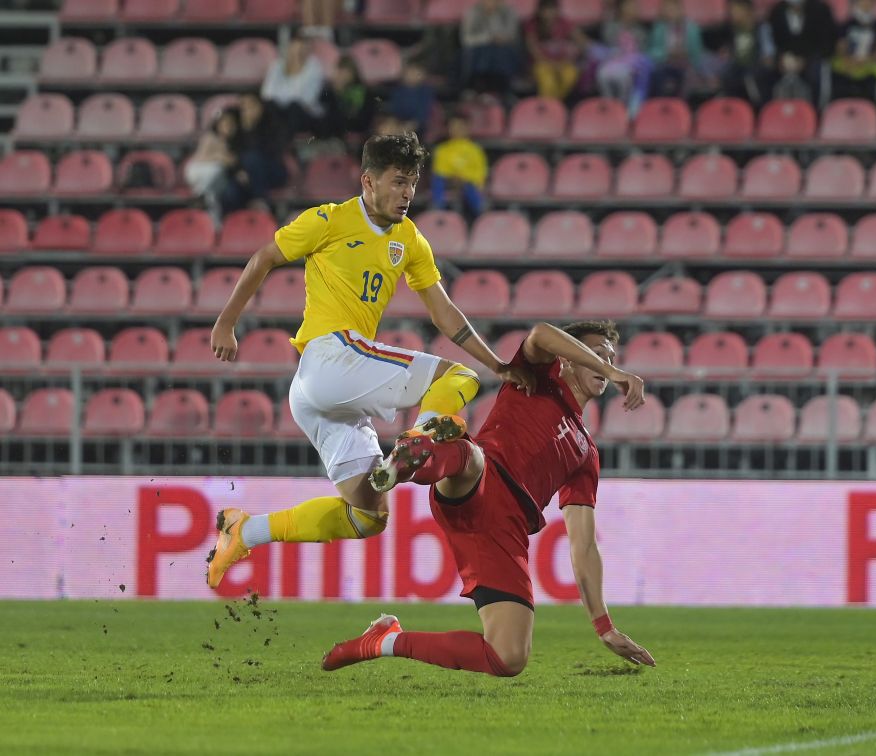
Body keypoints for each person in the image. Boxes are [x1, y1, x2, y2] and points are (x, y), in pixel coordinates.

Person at [205, 133, 535, 591]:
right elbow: (264, 257)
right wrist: (226, 324)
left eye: (413, 183)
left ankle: (245, 531)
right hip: (330, 356)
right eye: (399, 182)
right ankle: (418, 440)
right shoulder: (329, 219)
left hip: (319, 393)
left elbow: (443, 312)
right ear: (368, 181)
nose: (407, 194)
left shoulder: (409, 239)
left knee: (368, 516)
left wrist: (498, 363)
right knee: (457, 377)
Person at [321, 320, 656, 677]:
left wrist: (604, 626)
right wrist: (613, 368)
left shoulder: (586, 453)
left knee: (508, 657)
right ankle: (418, 454)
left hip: (502, 531)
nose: (604, 361)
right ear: (569, 359)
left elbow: (584, 545)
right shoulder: (538, 377)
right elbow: (541, 333)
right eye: (594, 353)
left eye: (609, 355)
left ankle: (383, 640)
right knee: (472, 458)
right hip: (480, 479)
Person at [219, 93, 288, 213]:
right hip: (246, 175)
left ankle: (260, 200)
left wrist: (251, 129)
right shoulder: (237, 129)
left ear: (260, 107)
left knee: (252, 158)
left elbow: (269, 152)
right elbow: (232, 156)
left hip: (271, 171)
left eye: (251, 106)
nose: (247, 111)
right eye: (244, 108)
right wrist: (239, 171)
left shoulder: (271, 124)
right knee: (230, 193)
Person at [766, 0, 838, 106]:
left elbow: (828, 44)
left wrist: (806, 60)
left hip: (813, 58)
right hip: (786, 59)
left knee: (816, 73)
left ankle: (815, 113)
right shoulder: (777, 11)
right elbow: (774, 42)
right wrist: (781, 59)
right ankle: (771, 114)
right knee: (763, 73)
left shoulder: (821, 10)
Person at [831, 0, 876, 109]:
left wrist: (867, 60)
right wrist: (849, 60)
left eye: (868, 2)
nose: (865, 5)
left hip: (871, 65)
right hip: (849, 64)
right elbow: (841, 48)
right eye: (861, 2)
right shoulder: (846, 25)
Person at [647, 0, 719, 97]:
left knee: (690, 77)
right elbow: (652, 52)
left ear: (681, 9)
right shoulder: (659, 28)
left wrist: (686, 54)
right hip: (665, 64)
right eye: (667, 8)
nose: (671, 11)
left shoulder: (692, 27)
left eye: (673, 8)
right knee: (658, 75)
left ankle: (683, 107)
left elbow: (697, 52)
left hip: (687, 64)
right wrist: (667, 53)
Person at [592, 0, 652, 116]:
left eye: (635, 7)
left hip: (632, 64)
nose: (633, 10)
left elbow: (642, 51)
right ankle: (609, 104)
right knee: (602, 74)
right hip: (614, 61)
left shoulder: (641, 31)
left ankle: (624, 106)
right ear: (621, 10)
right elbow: (608, 44)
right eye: (629, 7)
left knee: (626, 77)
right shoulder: (611, 27)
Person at [261, 36, 325, 137]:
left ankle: (281, 143)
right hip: (279, 113)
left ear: (308, 51)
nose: (298, 54)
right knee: (270, 106)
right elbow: (267, 94)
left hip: (304, 114)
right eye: (296, 49)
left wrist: (281, 98)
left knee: (294, 107)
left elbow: (306, 99)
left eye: (302, 50)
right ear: (290, 49)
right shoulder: (277, 65)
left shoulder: (315, 67)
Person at [524, 0, 589, 100]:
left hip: (563, 63)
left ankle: (557, 106)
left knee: (570, 75)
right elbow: (533, 50)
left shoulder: (564, 23)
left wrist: (573, 55)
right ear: (539, 11)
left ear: (557, 11)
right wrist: (552, 65)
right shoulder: (532, 24)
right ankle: (548, 107)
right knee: (547, 81)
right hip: (542, 63)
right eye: (545, 10)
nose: (548, 14)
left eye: (551, 10)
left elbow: (582, 41)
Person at [430, 111, 488, 221]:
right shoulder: (442, 149)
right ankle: (437, 211)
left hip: (468, 184)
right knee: (437, 180)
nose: (456, 129)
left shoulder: (475, 150)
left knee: (470, 188)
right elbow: (440, 170)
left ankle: (481, 215)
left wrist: (464, 178)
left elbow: (480, 173)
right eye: (453, 126)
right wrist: (453, 177)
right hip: (448, 182)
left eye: (460, 126)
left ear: (467, 128)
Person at [720, 0, 777, 105]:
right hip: (739, 66)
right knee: (727, 76)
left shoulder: (761, 28)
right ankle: (734, 108)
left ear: (747, 10)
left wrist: (766, 61)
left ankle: (759, 107)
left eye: (735, 10)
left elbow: (768, 53)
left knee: (752, 77)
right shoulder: (733, 29)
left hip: (756, 65)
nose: (731, 13)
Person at [460, 0, 523, 94]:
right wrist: (488, 38)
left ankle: (502, 89)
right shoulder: (473, 12)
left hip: (503, 50)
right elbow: (467, 39)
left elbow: (512, 35)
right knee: (484, 52)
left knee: (501, 52)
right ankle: (480, 88)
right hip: (479, 51)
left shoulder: (508, 11)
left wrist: (494, 17)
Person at [317, 55, 376, 140]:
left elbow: (360, 116)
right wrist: (335, 93)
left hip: (356, 125)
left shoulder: (363, 91)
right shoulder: (330, 90)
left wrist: (339, 94)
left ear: (353, 73)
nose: (343, 76)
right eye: (340, 71)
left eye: (346, 72)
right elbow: (324, 107)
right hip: (334, 126)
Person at [184, 109, 238, 200]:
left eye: (231, 125)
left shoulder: (232, 142)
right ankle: (199, 195)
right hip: (197, 170)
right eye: (224, 124)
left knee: (212, 195)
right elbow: (201, 158)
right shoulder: (209, 137)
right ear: (217, 125)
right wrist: (219, 157)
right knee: (217, 168)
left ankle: (206, 205)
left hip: (216, 179)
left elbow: (232, 161)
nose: (228, 127)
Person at [386, 62, 436, 138]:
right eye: (410, 71)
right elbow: (394, 110)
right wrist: (394, 123)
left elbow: (423, 113)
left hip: (419, 125)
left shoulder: (425, 91)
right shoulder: (398, 91)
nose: (412, 75)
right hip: (400, 122)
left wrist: (409, 126)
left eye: (417, 72)